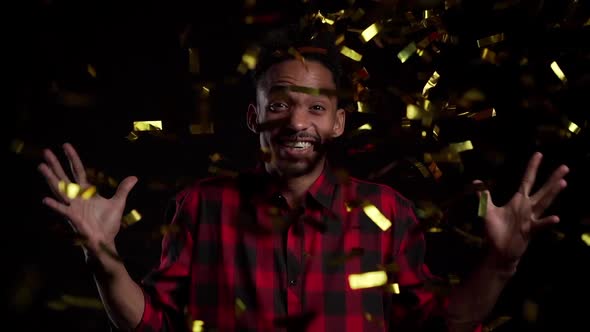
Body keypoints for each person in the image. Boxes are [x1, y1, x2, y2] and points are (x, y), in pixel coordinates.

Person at [38, 24, 569, 332]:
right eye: (281, 104)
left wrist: (502, 263)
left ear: (337, 123)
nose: (296, 122)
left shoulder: (386, 212)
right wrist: (103, 257)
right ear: (255, 117)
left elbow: (436, 325)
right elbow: (156, 324)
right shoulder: (202, 206)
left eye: (316, 107)